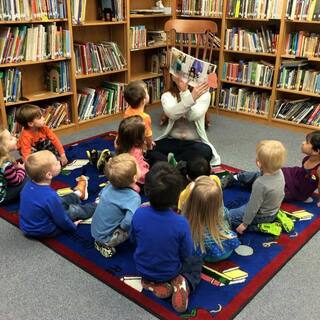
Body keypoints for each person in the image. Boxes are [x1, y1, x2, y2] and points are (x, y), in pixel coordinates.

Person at [131, 162, 202, 313]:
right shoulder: (181, 223)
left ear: (147, 191)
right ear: (177, 196)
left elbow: (133, 240)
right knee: (196, 257)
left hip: (142, 268)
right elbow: (186, 254)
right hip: (171, 271)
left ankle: (150, 283)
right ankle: (185, 283)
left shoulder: (138, 213)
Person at [226, 131, 320, 206]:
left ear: (316, 151)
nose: (303, 143)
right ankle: (237, 177)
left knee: (271, 195)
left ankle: (246, 182)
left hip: (295, 190)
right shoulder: (309, 158)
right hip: (293, 175)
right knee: (269, 173)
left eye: (307, 142)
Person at [19, 150, 96, 238]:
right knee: (73, 210)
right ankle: (97, 205)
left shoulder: (27, 185)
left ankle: (78, 193)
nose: (59, 162)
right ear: (48, 175)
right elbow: (62, 219)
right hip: (44, 230)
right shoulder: (50, 195)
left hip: (27, 227)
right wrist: (72, 226)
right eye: (56, 163)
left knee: (58, 201)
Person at [149, 75, 221, 166]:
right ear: (172, 77)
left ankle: (171, 164)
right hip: (172, 140)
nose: (182, 77)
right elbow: (172, 115)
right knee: (150, 149)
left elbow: (192, 116)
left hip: (194, 143)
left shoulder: (204, 95)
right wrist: (189, 97)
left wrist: (186, 93)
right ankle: (180, 165)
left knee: (206, 151)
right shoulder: (167, 95)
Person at [227, 140, 292, 236]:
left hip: (262, 216)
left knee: (229, 216)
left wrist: (245, 224)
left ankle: (259, 227)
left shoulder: (260, 184)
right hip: (274, 209)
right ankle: (237, 177)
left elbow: (253, 207)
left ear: (258, 163)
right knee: (256, 174)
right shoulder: (279, 172)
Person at [91, 153, 141, 258]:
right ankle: (106, 245)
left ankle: (100, 239)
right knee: (137, 221)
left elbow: (100, 196)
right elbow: (127, 223)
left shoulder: (109, 186)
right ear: (134, 177)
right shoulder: (134, 198)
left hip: (95, 229)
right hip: (107, 237)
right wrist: (123, 228)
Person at [183, 176, 240, 262]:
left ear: (192, 200)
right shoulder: (223, 211)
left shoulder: (186, 215)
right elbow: (229, 223)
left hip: (202, 253)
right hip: (225, 251)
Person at [115, 116, 149, 190]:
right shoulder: (135, 153)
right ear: (137, 138)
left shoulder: (120, 141)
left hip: (129, 166)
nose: (146, 129)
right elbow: (137, 174)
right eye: (144, 130)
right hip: (138, 176)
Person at [123, 81, 154, 150]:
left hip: (125, 144)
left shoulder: (127, 110)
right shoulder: (145, 117)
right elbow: (148, 137)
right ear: (143, 100)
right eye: (147, 93)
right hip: (137, 148)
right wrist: (150, 146)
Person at [0, 128, 27, 204]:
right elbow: (17, 182)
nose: (15, 138)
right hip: (2, 197)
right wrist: (21, 169)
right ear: (3, 147)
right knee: (28, 178)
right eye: (11, 139)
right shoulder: (6, 164)